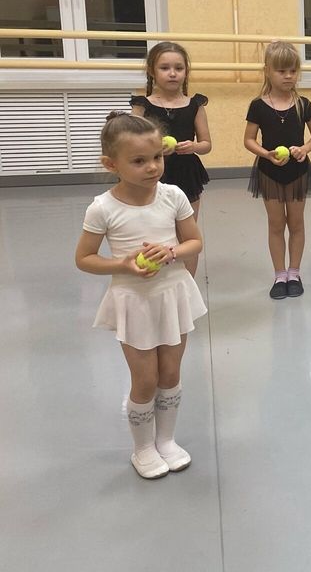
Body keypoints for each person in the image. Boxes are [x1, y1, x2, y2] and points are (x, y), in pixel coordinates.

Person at [74, 112, 206, 479]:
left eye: (157, 157)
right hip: (134, 302)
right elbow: (84, 259)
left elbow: (195, 241)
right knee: (145, 380)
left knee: (170, 372)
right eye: (139, 161)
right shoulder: (103, 208)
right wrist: (123, 264)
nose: (152, 167)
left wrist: (173, 251)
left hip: (173, 295)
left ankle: (166, 440)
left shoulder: (173, 196)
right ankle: (143, 448)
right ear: (111, 164)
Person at [243, 41, 311, 299]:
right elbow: (249, 140)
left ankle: (294, 273)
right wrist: (266, 154)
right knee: (276, 224)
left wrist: (305, 148)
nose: (288, 76)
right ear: (268, 71)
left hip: (298, 172)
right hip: (270, 173)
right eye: (281, 71)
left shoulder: (303, 104)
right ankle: (280, 275)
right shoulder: (258, 105)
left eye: (293, 71)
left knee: (296, 223)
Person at [130, 41, 212, 277]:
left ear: (186, 71)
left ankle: (187, 286)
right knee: (154, 231)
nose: (173, 73)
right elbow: (131, 145)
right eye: (165, 68)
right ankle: (158, 280)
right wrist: (154, 149)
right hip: (153, 174)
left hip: (187, 172)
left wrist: (194, 146)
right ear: (152, 71)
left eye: (179, 68)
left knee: (187, 234)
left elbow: (206, 144)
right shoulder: (142, 106)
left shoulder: (195, 104)